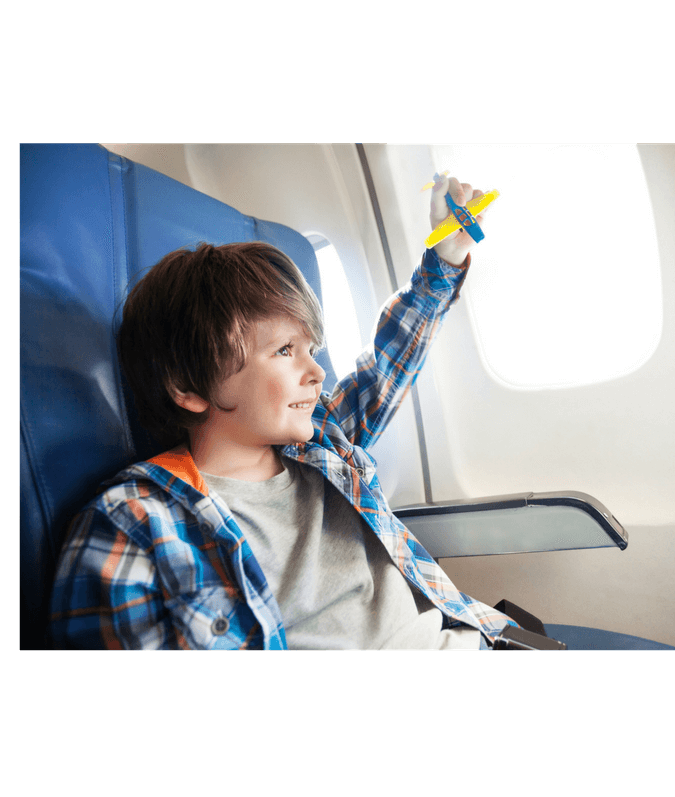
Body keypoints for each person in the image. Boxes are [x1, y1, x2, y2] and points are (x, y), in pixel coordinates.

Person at [49, 174, 518, 650]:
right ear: (189, 386)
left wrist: (445, 258)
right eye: (284, 350)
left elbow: (387, 367)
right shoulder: (134, 522)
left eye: (311, 348)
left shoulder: (321, 443)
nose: (316, 370)